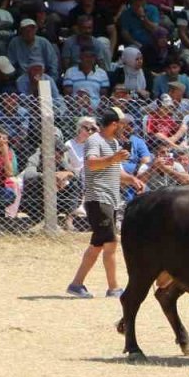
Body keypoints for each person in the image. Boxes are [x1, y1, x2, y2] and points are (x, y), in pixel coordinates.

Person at [67, 108, 144, 299]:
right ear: (114, 124)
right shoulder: (95, 140)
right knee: (110, 243)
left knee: (98, 244)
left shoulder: (114, 142)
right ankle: (114, 288)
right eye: (122, 124)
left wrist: (132, 179)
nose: (125, 127)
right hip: (98, 199)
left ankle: (77, 284)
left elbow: (116, 171)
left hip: (109, 199)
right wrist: (113, 158)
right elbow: (91, 163)